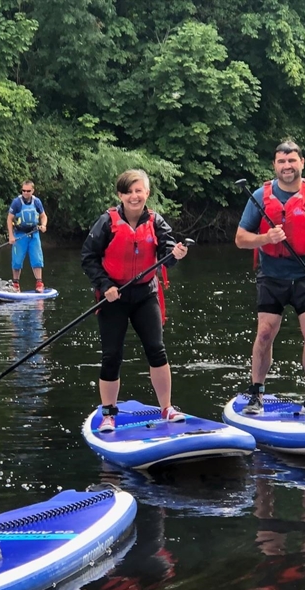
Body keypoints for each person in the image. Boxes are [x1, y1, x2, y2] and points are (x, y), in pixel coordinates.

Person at [234, 140, 305, 416]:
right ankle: (257, 393)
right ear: (274, 165)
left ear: (301, 163)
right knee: (265, 332)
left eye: (292, 160)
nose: (287, 166)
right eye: (282, 162)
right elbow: (240, 239)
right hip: (271, 275)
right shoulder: (259, 196)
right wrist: (265, 237)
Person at [81, 169, 188, 433]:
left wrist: (175, 254)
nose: (134, 196)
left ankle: (167, 407)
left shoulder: (156, 222)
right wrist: (105, 285)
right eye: (128, 191)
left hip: (144, 295)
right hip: (112, 298)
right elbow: (88, 257)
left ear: (147, 193)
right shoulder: (106, 222)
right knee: (112, 356)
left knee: (157, 349)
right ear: (120, 195)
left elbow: (167, 255)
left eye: (138, 191)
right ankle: (108, 414)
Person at [6, 180, 48, 292]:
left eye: (28, 191)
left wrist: (43, 225)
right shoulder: (17, 202)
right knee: (17, 260)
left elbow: (43, 216)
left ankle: (39, 283)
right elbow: (9, 219)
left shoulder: (37, 202)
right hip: (20, 234)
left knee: (37, 259)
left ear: (32, 191)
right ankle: (16, 284)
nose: (25, 193)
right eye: (23, 190)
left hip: (34, 234)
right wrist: (11, 236)